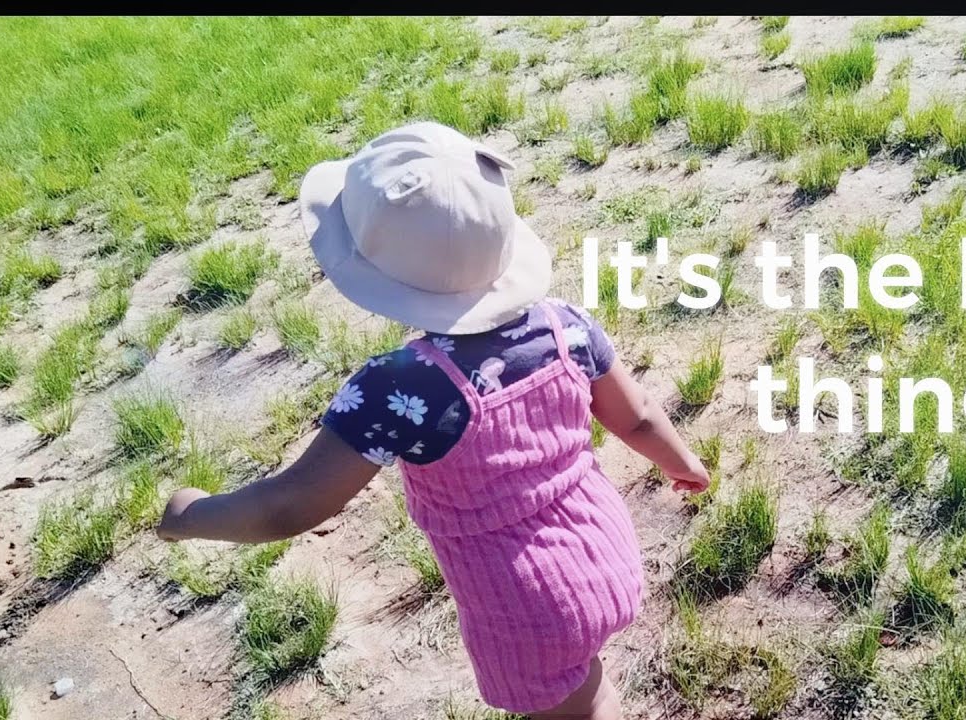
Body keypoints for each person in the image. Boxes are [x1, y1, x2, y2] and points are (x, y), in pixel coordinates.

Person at [156, 122, 710, 720]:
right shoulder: (566, 326)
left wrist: (192, 515)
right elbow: (641, 416)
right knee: (581, 679)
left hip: (526, 601)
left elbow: (290, 506)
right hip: (605, 548)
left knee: (581, 704)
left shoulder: (397, 387)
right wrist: (685, 464)